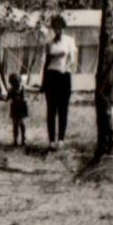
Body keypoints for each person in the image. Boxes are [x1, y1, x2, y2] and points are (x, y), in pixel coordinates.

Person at [41, 14, 78, 149]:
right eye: (56, 28)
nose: (58, 30)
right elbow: (46, 64)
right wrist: (43, 82)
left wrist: (68, 70)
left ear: (63, 28)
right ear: (53, 29)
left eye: (60, 27)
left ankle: (61, 139)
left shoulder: (69, 41)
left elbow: (73, 60)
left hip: (64, 76)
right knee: (51, 110)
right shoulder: (49, 44)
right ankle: (51, 140)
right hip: (51, 76)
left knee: (63, 109)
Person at [8, 71, 29, 147]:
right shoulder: (11, 90)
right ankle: (15, 140)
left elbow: (24, 98)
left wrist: (24, 99)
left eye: (17, 82)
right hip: (14, 108)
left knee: (22, 124)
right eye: (14, 83)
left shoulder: (22, 89)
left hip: (21, 108)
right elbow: (7, 98)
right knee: (15, 125)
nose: (16, 84)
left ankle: (24, 139)